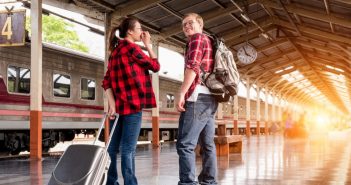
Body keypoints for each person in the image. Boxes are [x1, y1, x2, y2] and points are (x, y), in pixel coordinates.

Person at [102, 17, 160, 185]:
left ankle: (111, 182)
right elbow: (155, 66)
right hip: (133, 107)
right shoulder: (132, 49)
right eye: (139, 28)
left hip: (118, 109)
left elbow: (106, 82)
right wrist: (148, 44)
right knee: (128, 150)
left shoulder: (115, 53)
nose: (142, 32)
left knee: (112, 149)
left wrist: (112, 104)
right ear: (130, 31)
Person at [176, 13, 218, 185]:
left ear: (200, 24)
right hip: (210, 99)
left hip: (197, 98)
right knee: (208, 145)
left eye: (190, 23)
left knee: (185, 145)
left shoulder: (197, 39)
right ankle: (209, 181)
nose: (186, 27)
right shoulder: (209, 40)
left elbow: (193, 66)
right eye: (184, 24)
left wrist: (181, 92)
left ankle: (187, 183)